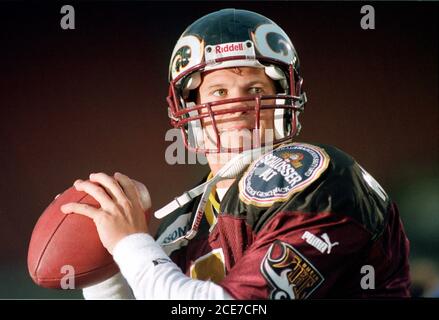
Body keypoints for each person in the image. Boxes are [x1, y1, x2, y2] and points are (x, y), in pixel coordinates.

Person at [61, 8, 411, 299]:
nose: (238, 105)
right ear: (189, 108)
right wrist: (105, 273)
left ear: (284, 101)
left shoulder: (316, 178)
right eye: (218, 92)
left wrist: (131, 244)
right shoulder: (186, 224)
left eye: (255, 88)